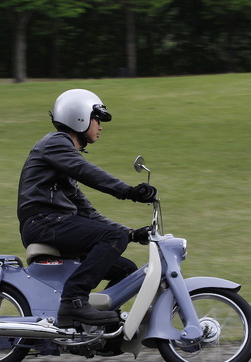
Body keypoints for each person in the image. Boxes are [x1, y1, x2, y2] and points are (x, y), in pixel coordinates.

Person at [17, 89, 157, 327]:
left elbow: (86, 211)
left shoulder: (63, 160)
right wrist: (128, 191)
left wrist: (131, 233)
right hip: (43, 222)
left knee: (126, 269)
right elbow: (87, 171)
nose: (100, 126)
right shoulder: (55, 144)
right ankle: (73, 302)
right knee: (111, 238)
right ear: (80, 117)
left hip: (54, 222)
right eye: (97, 119)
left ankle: (100, 326)